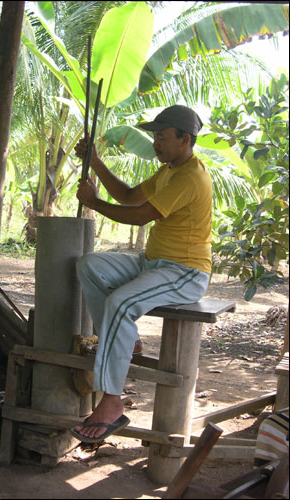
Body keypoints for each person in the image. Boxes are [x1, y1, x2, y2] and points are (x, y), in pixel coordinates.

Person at [70, 104, 212, 443]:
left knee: (120, 303)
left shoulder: (191, 176)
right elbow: (130, 196)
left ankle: (112, 402)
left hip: (185, 272)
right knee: (89, 265)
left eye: (162, 137)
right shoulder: (169, 171)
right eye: (154, 137)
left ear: (185, 139)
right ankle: (126, 341)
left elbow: (139, 216)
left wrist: (93, 203)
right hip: (154, 262)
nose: (155, 144)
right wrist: (95, 163)